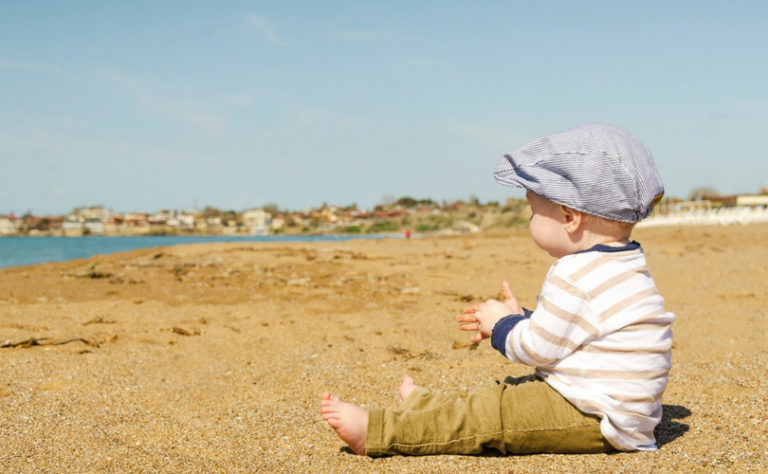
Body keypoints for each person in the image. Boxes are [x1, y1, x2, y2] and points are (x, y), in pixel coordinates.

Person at [321, 123, 674, 456]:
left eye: (535, 210)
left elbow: (537, 350)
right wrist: (523, 318)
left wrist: (501, 327)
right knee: (505, 393)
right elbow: (578, 332)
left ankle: (379, 431)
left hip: (595, 417)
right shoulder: (625, 263)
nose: (531, 219)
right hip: (620, 412)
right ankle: (426, 406)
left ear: (569, 217)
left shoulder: (574, 273)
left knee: (493, 414)